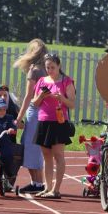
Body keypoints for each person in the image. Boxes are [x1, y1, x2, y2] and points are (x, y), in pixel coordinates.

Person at [32, 53, 76, 199]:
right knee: (46, 156)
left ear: (59, 66)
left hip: (59, 122)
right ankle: (47, 187)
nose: (50, 70)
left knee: (58, 155)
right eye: (47, 67)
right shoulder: (42, 81)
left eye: (52, 67)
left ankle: (56, 189)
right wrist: (41, 96)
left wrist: (61, 98)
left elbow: (72, 104)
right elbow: (35, 103)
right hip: (43, 120)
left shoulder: (67, 81)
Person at [13, 39, 48, 194]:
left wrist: (18, 118)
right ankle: (36, 182)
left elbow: (28, 96)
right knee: (35, 147)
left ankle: (38, 183)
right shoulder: (49, 69)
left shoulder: (34, 70)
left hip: (35, 111)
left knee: (31, 147)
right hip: (46, 112)